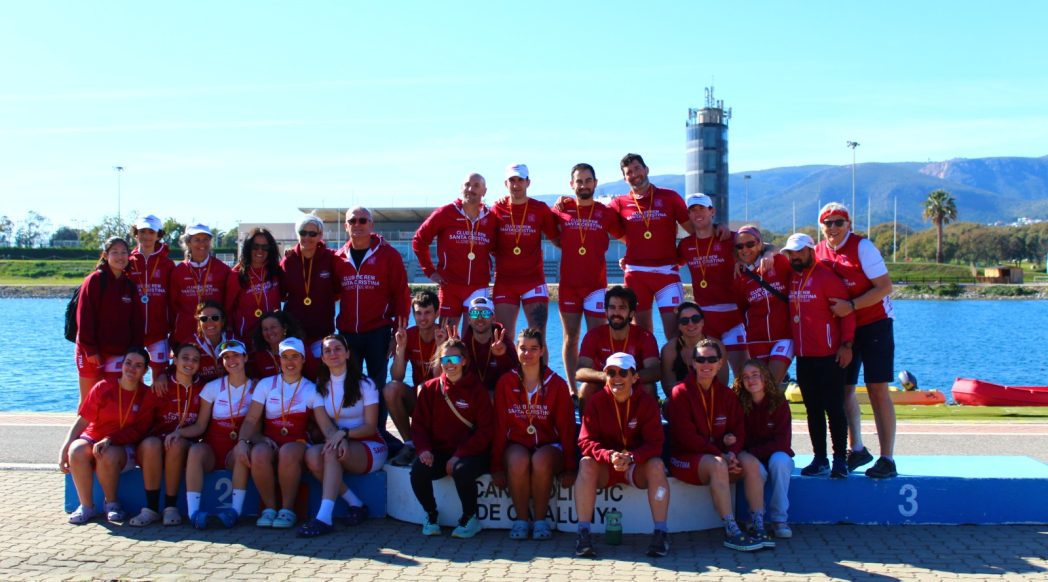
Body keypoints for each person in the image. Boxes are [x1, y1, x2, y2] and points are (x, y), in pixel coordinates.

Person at [815, 202, 898, 479]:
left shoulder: (863, 247)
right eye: (828, 223)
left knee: (877, 388)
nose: (833, 228)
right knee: (843, 390)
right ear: (821, 226)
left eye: (839, 222)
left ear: (849, 224)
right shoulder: (818, 251)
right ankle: (857, 449)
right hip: (844, 328)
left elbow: (885, 287)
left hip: (875, 323)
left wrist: (851, 305)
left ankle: (887, 458)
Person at [666, 339, 769, 552]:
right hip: (685, 459)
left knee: (750, 463)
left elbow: (739, 431)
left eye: (712, 359)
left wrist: (733, 453)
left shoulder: (726, 395)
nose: (706, 364)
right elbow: (687, 438)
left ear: (720, 363)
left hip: (719, 456)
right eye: (701, 359)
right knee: (717, 464)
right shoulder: (680, 392)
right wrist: (722, 455)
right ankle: (731, 529)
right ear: (692, 363)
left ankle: (757, 523)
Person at [573, 353, 669, 559]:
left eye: (623, 373)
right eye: (611, 373)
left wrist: (632, 457)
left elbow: (656, 443)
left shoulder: (646, 402)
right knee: (586, 463)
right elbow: (585, 441)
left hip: (636, 466)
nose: (617, 378)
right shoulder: (596, 401)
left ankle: (661, 532)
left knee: (657, 465)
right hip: (606, 466)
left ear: (635, 377)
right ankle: (583, 534)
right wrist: (609, 456)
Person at [491, 329, 577, 541]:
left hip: (549, 446)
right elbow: (500, 427)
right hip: (517, 443)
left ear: (542, 351)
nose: (527, 354)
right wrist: (496, 467)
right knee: (518, 461)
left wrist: (570, 467)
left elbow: (567, 429)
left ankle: (540, 520)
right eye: (523, 348)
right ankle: (521, 520)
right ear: (516, 350)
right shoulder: (505, 382)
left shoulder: (557, 384)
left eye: (533, 349)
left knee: (540, 460)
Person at [334, 206, 411, 444]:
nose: (357, 225)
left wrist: (398, 332)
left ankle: (378, 433)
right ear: (346, 226)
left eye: (362, 220)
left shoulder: (389, 255)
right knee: (350, 384)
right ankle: (355, 432)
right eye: (352, 221)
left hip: (378, 331)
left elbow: (401, 295)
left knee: (376, 385)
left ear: (371, 225)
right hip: (348, 332)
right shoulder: (338, 258)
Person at [782, 233, 855, 479]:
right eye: (791, 253)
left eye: (799, 252)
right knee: (812, 410)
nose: (795, 257)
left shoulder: (827, 277)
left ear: (810, 251)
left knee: (834, 408)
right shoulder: (793, 277)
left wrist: (846, 345)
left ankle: (840, 460)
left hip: (829, 355)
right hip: (804, 356)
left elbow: (847, 313)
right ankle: (820, 458)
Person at [298, 335, 387, 536]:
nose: (333, 354)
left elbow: (370, 427)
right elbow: (325, 426)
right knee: (312, 456)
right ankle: (356, 504)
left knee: (331, 452)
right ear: (322, 358)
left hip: (370, 445)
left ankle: (324, 518)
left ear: (347, 353)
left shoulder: (366, 384)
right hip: (338, 442)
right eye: (327, 351)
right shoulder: (320, 386)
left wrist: (344, 435)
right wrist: (339, 438)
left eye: (338, 349)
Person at [410, 339, 494, 539]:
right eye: (445, 359)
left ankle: (470, 517)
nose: (449, 364)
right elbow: (419, 425)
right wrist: (424, 450)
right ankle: (431, 514)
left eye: (454, 359)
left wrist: (460, 454)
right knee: (418, 470)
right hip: (441, 451)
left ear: (464, 361)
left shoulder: (477, 390)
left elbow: (486, 431)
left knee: (461, 470)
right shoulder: (430, 388)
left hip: (472, 453)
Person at [552, 163, 623, 392]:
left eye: (588, 180)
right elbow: (550, 234)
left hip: (595, 288)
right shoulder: (561, 210)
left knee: (598, 338)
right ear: (571, 184)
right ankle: (573, 390)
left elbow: (629, 236)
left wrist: (630, 259)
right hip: (569, 287)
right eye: (579, 181)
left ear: (595, 183)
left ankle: (599, 389)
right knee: (571, 337)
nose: (583, 185)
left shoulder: (606, 213)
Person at [61, 347, 153, 524]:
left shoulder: (146, 394)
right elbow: (83, 420)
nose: (131, 368)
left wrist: (110, 440)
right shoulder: (103, 386)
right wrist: (64, 449)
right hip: (93, 438)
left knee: (106, 454)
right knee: (76, 450)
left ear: (145, 370)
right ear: (122, 365)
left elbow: (139, 430)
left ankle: (111, 504)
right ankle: (86, 506)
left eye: (138, 365)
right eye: (128, 363)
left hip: (121, 445)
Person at [608, 153, 693, 340]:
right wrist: (566, 203)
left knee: (675, 333)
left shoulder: (670, 197)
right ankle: (649, 360)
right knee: (642, 333)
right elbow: (596, 215)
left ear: (646, 169)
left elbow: (695, 232)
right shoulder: (619, 203)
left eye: (637, 168)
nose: (634, 174)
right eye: (629, 172)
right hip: (636, 275)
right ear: (624, 178)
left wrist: (681, 257)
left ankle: (675, 361)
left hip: (667, 273)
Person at [173, 339, 255, 529]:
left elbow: (255, 426)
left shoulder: (257, 388)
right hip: (212, 451)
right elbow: (200, 426)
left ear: (245, 358)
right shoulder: (212, 387)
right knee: (195, 451)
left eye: (236, 355)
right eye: (226, 357)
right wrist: (178, 433)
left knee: (242, 453)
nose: (231, 360)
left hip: (235, 452)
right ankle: (193, 513)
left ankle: (235, 512)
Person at [237, 337, 317, 529]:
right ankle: (270, 509)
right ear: (278, 359)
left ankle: (287, 510)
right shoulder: (266, 384)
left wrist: (338, 436)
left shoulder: (311, 388)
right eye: (285, 357)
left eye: (295, 357)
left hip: (297, 444)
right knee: (258, 452)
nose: (290, 362)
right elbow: (251, 419)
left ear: (303, 359)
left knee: (287, 452)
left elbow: (322, 425)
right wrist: (242, 441)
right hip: (271, 442)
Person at [128, 343, 205, 526]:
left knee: (176, 443)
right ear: (175, 360)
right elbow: (141, 425)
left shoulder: (203, 388)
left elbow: (201, 426)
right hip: (154, 446)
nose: (189, 363)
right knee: (151, 444)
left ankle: (171, 507)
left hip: (182, 444)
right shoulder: (160, 386)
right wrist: (114, 440)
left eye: (195, 360)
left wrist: (178, 433)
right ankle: (151, 509)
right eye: (185, 358)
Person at [677, 194, 749, 382]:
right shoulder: (685, 245)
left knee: (742, 375)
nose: (697, 213)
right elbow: (667, 262)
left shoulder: (731, 238)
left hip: (733, 316)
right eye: (693, 210)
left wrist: (769, 255)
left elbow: (764, 247)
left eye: (702, 208)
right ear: (689, 215)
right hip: (705, 319)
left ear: (712, 211)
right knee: (714, 379)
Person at [412, 173, 498, 330]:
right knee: (446, 335)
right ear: (461, 188)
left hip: (478, 287)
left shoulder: (491, 218)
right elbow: (419, 240)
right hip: (449, 286)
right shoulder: (445, 213)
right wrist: (430, 271)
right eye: (467, 185)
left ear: (484, 191)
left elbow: (497, 249)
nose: (470, 189)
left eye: (476, 186)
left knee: (474, 335)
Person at [491, 163, 560, 339]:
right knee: (503, 338)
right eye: (512, 180)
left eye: (520, 180)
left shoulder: (540, 209)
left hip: (533, 281)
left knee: (538, 337)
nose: (516, 184)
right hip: (505, 282)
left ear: (528, 182)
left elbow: (557, 239)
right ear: (505, 183)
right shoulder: (496, 209)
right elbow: (488, 243)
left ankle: (540, 361)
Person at [74, 237, 142, 405]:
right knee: (89, 400)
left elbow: (136, 323)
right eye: (115, 252)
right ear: (105, 255)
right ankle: (81, 425)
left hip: (118, 352)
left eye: (124, 252)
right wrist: (90, 349)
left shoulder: (129, 286)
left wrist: (135, 351)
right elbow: (84, 317)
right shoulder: (95, 280)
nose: (120, 257)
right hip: (92, 352)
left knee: (113, 400)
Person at [732, 359, 795, 539]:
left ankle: (779, 519)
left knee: (780, 462)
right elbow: (738, 435)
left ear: (765, 377)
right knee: (756, 469)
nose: (751, 380)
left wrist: (754, 453)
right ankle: (756, 518)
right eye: (746, 377)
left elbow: (782, 442)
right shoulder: (739, 403)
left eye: (755, 375)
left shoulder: (779, 403)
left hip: (772, 454)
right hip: (752, 457)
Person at [384, 290, 448, 467]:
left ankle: (430, 444)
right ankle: (410, 444)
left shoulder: (446, 336)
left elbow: (440, 377)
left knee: (424, 388)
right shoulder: (409, 335)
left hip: (444, 400)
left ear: (437, 313)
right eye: (418, 313)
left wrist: (441, 347)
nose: (422, 318)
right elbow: (397, 376)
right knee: (390, 389)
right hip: (420, 398)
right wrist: (400, 348)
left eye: (427, 313)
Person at [576, 286, 660, 411]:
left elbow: (655, 371)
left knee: (648, 387)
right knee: (586, 388)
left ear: (631, 313)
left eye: (622, 308)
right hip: (605, 385)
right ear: (606, 312)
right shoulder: (593, 335)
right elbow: (579, 372)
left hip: (633, 385)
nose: (616, 313)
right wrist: (606, 377)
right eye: (612, 307)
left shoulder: (645, 336)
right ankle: (587, 424)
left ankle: (651, 423)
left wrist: (627, 378)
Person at [281, 212, 340, 379]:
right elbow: (280, 293)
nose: (307, 237)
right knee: (296, 377)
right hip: (294, 333)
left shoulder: (331, 258)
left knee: (321, 378)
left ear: (320, 235)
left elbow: (339, 290)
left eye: (312, 234)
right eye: (303, 232)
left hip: (322, 332)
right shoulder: (289, 260)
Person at [733, 225, 794, 384]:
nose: (745, 250)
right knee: (760, 387)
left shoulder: (779, 262)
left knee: (771, 381)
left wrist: (769, 252)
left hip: (784, 336)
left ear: (760, 244)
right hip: (756, 340)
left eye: (750, 244)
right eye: (740, 246)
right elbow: (741, 308)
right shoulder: (740, 275)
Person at [127, 214, 175, 393]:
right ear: (136, 233)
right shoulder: (127, 262)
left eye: (151, 232)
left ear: (158, 235)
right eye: (142, 231)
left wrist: (172, 329)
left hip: (159, 333)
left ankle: (156, 410)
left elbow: (173, 300)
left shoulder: (167, 264)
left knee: (160, 380)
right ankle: (135, 410)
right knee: (132, 379)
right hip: (132, 333)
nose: (146, 236)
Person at [170, 224, 232, 345]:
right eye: (197, 240)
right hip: (185, 334)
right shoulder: (178, 271)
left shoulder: (222, 269)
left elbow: (228, 302)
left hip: (214, 334)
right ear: (188, 243)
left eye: (206, 239)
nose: (202, 244)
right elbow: (173, 305)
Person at [225, 227, 283, 340]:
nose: (260, 251)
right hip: (246, 338)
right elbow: (228, 309)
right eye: (255, 247)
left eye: (265, 247)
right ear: (248, 248)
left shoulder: (276, 271)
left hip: (272, 338)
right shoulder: (237, 275)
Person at [460, 296, 518, 393]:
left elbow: (516, 376)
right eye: (475, 314)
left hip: (499, 394)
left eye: (485, 313)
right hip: (472, 395)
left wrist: (501, 357)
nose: (480, 318)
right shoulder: (463, 345)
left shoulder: (504, 342)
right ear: (469, 319)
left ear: (493, 318)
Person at [660, 301, 709, 392]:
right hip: (681, 397)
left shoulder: (717, 346)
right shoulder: (669, 350)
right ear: (679, 326)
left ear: (702, 322)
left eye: (695, 319)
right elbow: (668, 387)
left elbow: (722, 383)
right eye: (684, 321)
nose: (690, 324)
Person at [248, 311, 304, 380]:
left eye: (273, 327)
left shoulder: (299, 349)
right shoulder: (259, 356)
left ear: (284, 328)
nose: (269, 332)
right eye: (265, 329)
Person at [189, 300, 232, 383]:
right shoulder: (190, 344)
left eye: (215, 318)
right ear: (199, 323)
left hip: (230, 389)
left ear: (223, 321)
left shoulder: (234, 341)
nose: (209, 322)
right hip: (202, 389)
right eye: (204, 319)